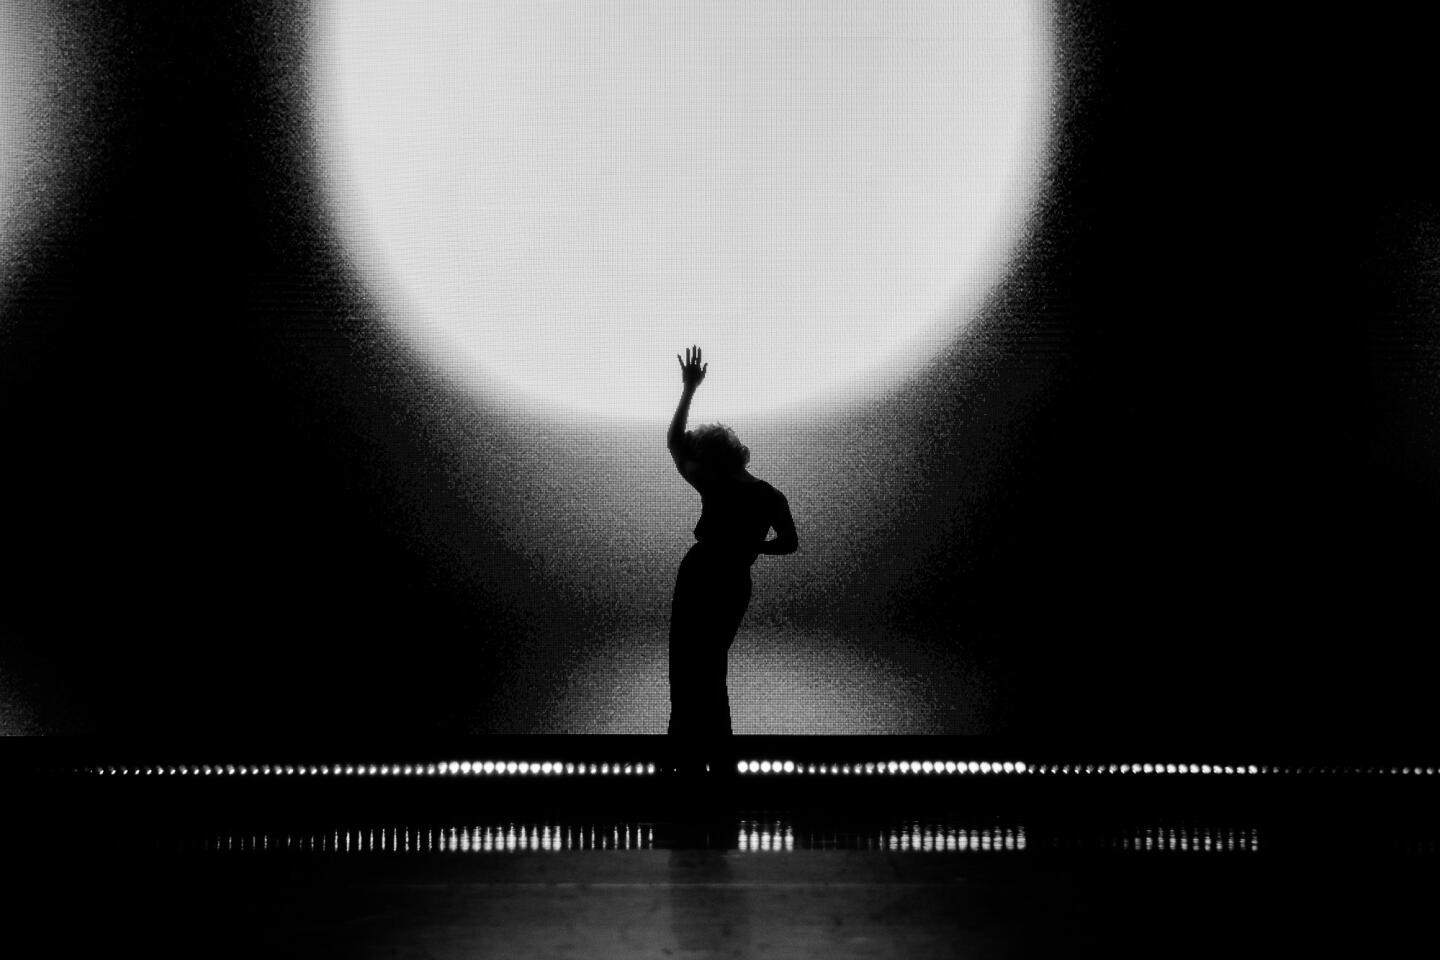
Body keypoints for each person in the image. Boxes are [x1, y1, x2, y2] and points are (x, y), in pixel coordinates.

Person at [666, 346, 798, 773]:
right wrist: (750, 549)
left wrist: (688, 390)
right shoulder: (768, 494)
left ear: (710, 456)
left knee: (687, 669)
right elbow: (790, 543)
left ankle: (685, 761)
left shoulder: (714, 483)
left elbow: (674, 443)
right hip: (734, 581)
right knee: (711, 668)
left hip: (702, 574)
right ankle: (719, 763)